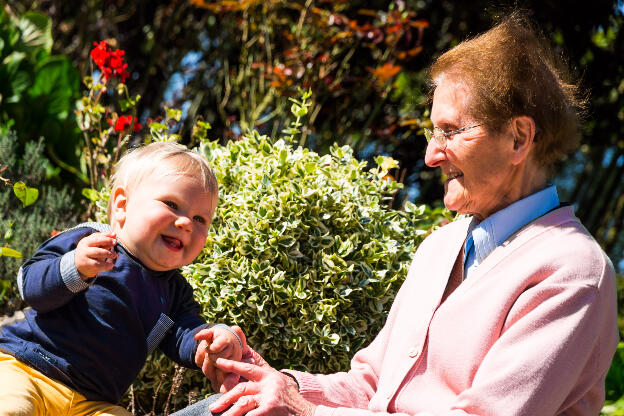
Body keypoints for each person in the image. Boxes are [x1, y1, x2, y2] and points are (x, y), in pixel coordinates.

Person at [173, 12, 618, 416]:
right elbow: (372, 385)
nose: (430, 155)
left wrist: (303, 413)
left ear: (519, 138)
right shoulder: (441, 246)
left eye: (450, 131)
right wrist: (276, 383)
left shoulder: (572, 271)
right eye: (432, 131)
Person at [0, 142, 244, 415]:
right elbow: (29, 284)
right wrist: (75, 267)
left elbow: (184, 335)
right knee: (12, 409)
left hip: (93, 403)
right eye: (172, 204)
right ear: (122, 205)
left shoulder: (174, 293)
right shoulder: (90, 241)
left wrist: (211, 342)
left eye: (200, 218)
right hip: (27, 367)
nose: (186, 223)